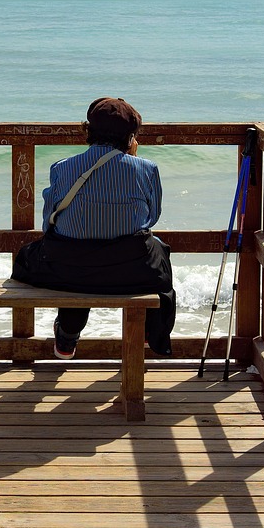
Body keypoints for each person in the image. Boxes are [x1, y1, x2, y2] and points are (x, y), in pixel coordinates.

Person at [11, 97, 176, 358]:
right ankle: (150, 334)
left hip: (69, 271)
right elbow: (151, 217)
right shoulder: (146, 169)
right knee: (159, 253)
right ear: (131, 137)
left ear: (87, 131)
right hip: (129, 271)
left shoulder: (63, 168)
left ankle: (67, 336)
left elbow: (49, 223)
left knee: (67, 254)